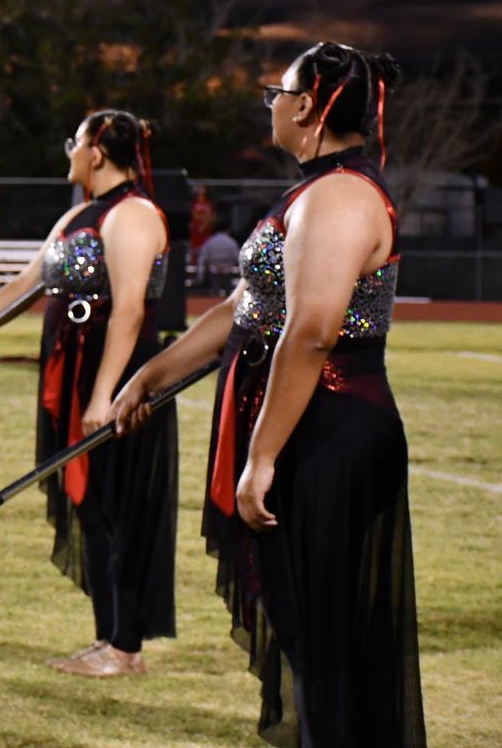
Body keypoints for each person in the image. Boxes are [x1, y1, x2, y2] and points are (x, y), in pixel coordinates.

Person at [113, 43, 423, 745]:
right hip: (305, 427)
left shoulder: (340, 195)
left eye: (277, 93)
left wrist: (262, 457)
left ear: (308, 105)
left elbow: (311, 332)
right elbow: (247, 307)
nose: (272, 105)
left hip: (329, 430)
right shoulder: (313, 190)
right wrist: (150, 375)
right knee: (304, 630)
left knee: (328, 638)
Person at [0, 109, 177, 678]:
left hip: (115, 379)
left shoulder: (134, 214)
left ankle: (126, 646)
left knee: (118, 506)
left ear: (95, 151)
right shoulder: (79, 214)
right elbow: (25, 284)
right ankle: (108, 639)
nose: (68, 151)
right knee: (89, 506)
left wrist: (103, 395)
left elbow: (130, 311)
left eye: (75, 141)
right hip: (71, 376)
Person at [195, 215, 241, 294]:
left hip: (215, 267)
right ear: (227, 230)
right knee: (227, 291)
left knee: (215, 289)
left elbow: (203, 257)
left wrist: (200, 275)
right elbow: (237, 256)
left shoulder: (210, 241)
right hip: (226, 267)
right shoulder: (231, 242)